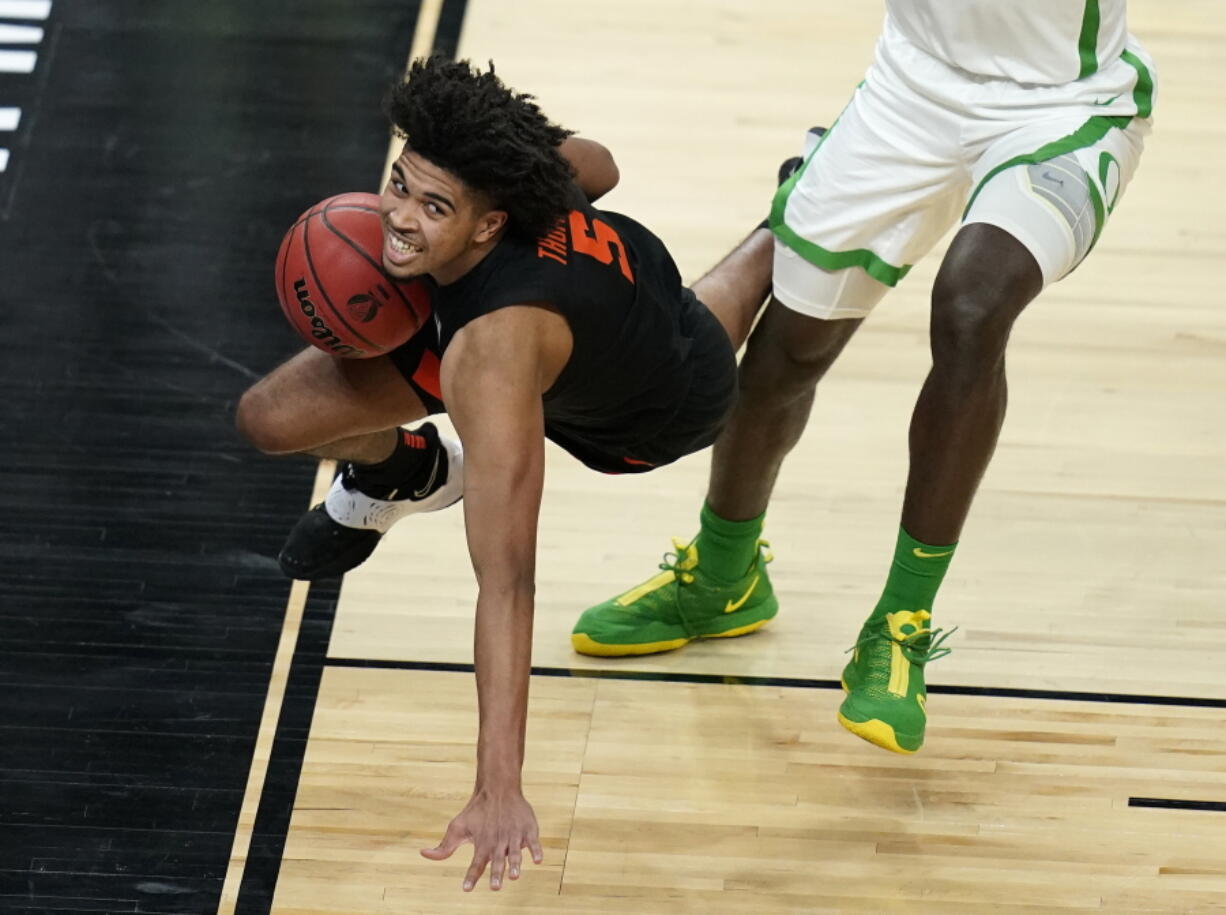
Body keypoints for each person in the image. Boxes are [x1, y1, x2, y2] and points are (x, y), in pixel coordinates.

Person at [235, 56, 778, 892]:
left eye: (434, 206)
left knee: (723, 311)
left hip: (657, 403)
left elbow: (509, 581)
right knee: (269, 418)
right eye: (399, 185)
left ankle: (790, 214)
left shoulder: (489, 358)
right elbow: (601, 163)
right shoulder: (518, 181)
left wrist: (499, 786)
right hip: (579, 300)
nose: (398, 220)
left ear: (489, 225)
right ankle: (405, 471)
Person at [573, 0, 1157, 757]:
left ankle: (900, 623)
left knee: (972, 310)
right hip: (909, 94)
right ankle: (724, 579)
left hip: (1066, 108)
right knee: (786, 355)